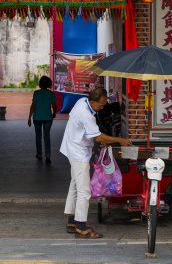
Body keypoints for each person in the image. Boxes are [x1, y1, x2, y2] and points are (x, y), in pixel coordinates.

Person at [60, 86, 133, 239]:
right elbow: (98, 137)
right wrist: (120, 140)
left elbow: (72, 119)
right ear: (92, 101)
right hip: (77, 153)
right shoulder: (87, 115)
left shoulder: (81, 101)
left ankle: (71, 221)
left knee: (75, 184)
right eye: (100, 105)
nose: (101, 108)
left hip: (71, 147)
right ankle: (81, 227)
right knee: (84, 191)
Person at [28, 75, 57, 163]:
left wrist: (29, 117)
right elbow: (54, 106)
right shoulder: (51, 94)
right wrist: (54, 113)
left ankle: (39, 154)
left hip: (37, 118)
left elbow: (33, 105)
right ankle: (48, 155)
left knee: (38, 136)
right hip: (48, 117)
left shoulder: (36, 93)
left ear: (40, 84)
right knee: (47, 136)